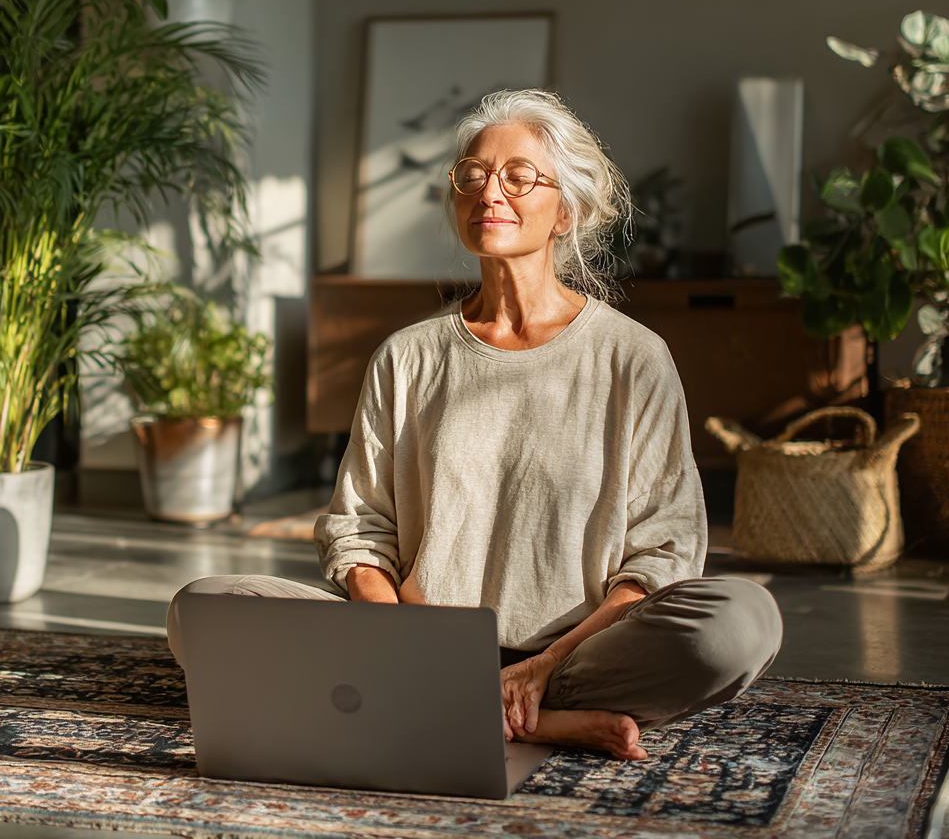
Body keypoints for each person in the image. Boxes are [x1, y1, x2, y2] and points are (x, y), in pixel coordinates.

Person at [167, 89, 782, 761]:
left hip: (578, 653)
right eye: (472, 175)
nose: (490, 191)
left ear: (564, 212)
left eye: (519, 177)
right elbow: (360, 530)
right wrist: (406, 646)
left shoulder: (632, 357)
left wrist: (544, 662)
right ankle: (543, 723)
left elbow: (662, 551)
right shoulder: (408, 356)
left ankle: (474, 701)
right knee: (202, 609)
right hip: (411, 645)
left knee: (737, 625)